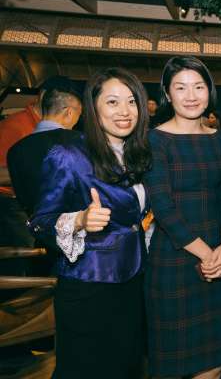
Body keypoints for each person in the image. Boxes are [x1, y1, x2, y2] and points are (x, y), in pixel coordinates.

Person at [29, 68, 151, 379]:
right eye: (112, 102)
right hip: (88, 285)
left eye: (132, 101)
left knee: (126, 368)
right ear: (93, 108)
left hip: (133, 281)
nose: (124, 111)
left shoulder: (138, 153)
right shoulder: (69, 154)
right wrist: (80, 220)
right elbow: (40, 222)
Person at [144, 56, 221, 379]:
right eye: (181, 88)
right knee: (171, 367)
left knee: (214, 365)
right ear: (168, 94)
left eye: (198, 87)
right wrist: (209, 254)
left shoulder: (219, 138)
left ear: (209, 91)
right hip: (173, 262)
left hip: (216, 262)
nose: (191, 95)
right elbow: (163, 209)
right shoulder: (155, 140)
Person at [8, 87, 83, 216]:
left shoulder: (15, 150)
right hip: (75, 222)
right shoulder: (79, 141)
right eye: (79, 115)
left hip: (36, 222)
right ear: (69, 112)